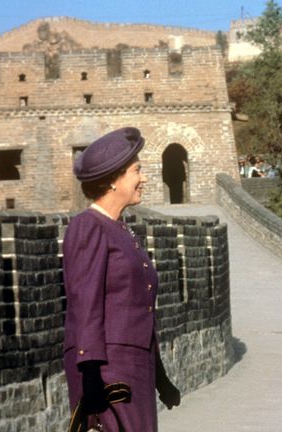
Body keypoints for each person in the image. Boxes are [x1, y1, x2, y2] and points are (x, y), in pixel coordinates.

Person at [64, 127, 181, 432]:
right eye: (137, 171)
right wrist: (90, 378)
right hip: (107, 371)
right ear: (113, 180)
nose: (144, 178)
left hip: (134, 368)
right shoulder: (88, 227)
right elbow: (85, 305)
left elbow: (137, 312)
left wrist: (160, 377)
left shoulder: (122, 229)